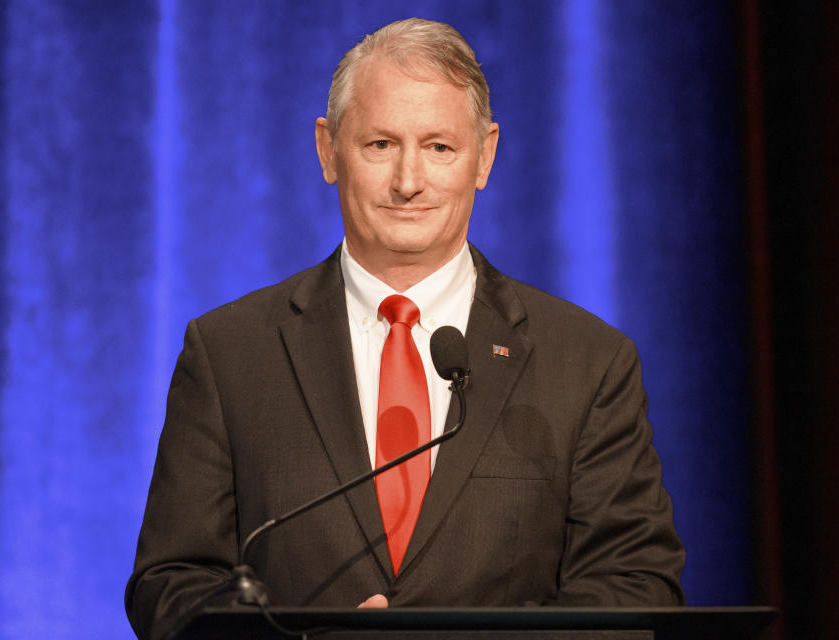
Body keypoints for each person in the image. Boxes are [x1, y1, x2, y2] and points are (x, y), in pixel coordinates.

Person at [125, 17, 685, 640]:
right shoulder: (230, 355)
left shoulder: (586, 362)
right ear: (328, 150)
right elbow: (170, 586)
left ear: (485, 156)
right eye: (380, 145)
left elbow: (636, 585)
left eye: (439, 147)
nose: (409, 181)